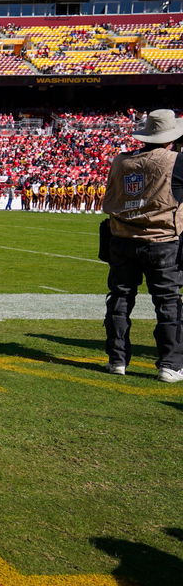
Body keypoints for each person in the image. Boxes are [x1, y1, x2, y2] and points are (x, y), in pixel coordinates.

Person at [100, 109, 183, 383]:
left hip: (122, 238)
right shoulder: (176, 161)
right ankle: (170, 364)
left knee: (120, 299)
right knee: (168, 302)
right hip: (162, 241)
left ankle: (117, 359)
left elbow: (109, 199)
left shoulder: (121, 161)